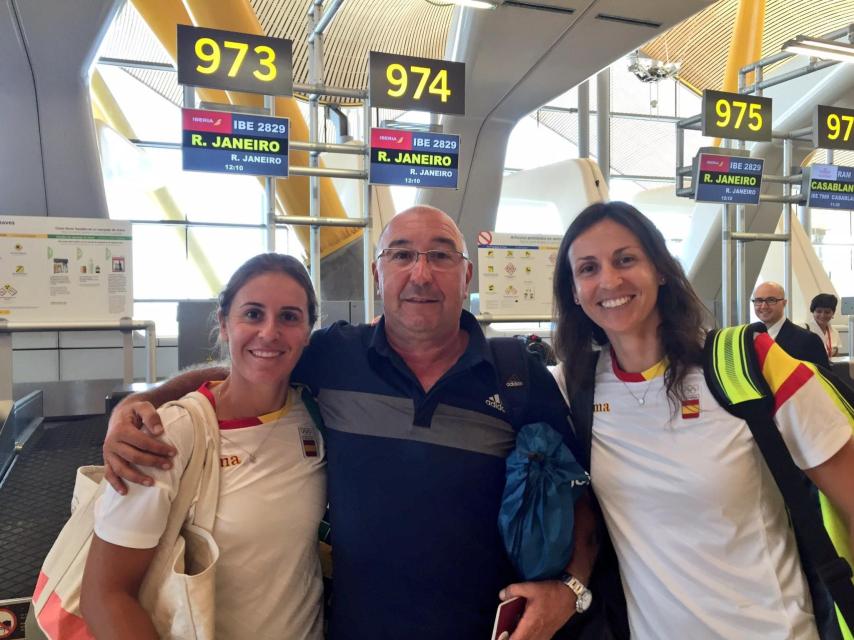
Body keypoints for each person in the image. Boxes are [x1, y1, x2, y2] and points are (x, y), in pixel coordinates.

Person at [100, 206, 596, 640]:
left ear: (467, 277)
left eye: (441, 256)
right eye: (401, 255)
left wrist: (570, 588)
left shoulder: (516, 376)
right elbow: (257, 364)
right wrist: (147, 401)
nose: (420, 273)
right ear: (378, 276)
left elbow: (582, 497)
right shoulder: (337, 357)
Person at [551, 201, 854, 639]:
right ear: (574, 292)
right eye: (588, 268)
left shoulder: (749, 364)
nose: (609, 280)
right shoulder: (574, 389)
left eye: (625, 259)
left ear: (660, 269)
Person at [80, 254, 326, 639]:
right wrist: (127, 410)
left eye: (290, 317)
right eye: (253, 314)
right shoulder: (169, 434)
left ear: (310, 331)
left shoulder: (312, 413)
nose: (270, 332)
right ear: (224, 323)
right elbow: (105, 595)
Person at [752, 281, 830, 368]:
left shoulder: (808, 340)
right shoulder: (749, 337)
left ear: (784, 303)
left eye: (771, 300)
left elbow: (823, 378)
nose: (763, 306)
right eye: (758, 300)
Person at [806, 293, 840, 359]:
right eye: (819, 311)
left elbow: (836, 357)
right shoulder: (804, 330)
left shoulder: (835, 333)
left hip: (829, 368)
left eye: (827, 312)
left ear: (833, 313)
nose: (822, 315)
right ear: (813, 311)